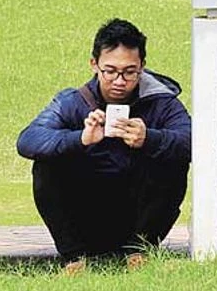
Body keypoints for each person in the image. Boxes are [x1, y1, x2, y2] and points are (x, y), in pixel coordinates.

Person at [17, 18, 191, 267]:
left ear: (142, 66)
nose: (119, 81)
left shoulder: (162, 102)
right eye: (110, 71)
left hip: (139, 216)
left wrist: (150, 138)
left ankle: (138, 251)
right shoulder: (72, 102)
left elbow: (195, 141)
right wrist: (80, 139)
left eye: (129, 72)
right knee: (46, 164)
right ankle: (75, 258)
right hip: (86, 215)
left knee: (173, 159)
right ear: (94, 65)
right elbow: (28, 140)